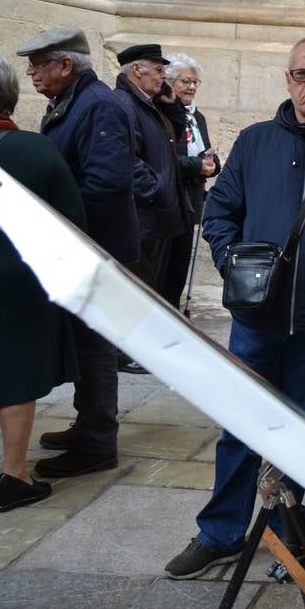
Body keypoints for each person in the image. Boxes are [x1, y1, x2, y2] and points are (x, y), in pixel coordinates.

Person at [164, 36, 305, 580]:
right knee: (241, 425)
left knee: (302, 429)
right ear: (288, 80)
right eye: (302, 73)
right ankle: (221, 531)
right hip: (255, 317)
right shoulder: (256, 142)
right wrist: (231, 261)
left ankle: (288, 528)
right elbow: (221, 212)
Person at [16, 27, 138, 479]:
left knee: (94, 345)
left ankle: (97, 443)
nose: (31, 73)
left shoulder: (98, 105)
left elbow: (106, 185)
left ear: (66, 65)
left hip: (95, 247)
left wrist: (55, 218)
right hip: (82, 243)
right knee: (87, 343)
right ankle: (88, 425)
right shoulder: (75, 101)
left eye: (39, 64)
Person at [0, 54, 86, 511]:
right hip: (16, 282)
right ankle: (14, 476)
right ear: (10, 96)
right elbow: (72, 222)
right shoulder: (37, 149)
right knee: (14, 376)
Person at [113, 43, 184, 373]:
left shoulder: (149, 104)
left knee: (149, 286)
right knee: (136, 286)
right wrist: (157, 191)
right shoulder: (125, 105)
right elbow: (129, 161)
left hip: (158, 215)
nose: (163, 77)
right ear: (137, 70)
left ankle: (136, 347)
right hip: (144, 216)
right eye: (158, 70)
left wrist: (172, 105)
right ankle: (124, 351)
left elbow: (173, 140)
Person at [156, 52, 219, 310]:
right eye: (185, 81)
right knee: (162, 269)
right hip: (168, 202)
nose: (192, 87)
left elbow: (206, 153)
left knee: (179, 267)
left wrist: (212, 165)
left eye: (195, 82)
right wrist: (197, 166)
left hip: (191, 202)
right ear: (169, 83)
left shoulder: (197, 117)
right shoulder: (163, 115)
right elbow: (164, 160)